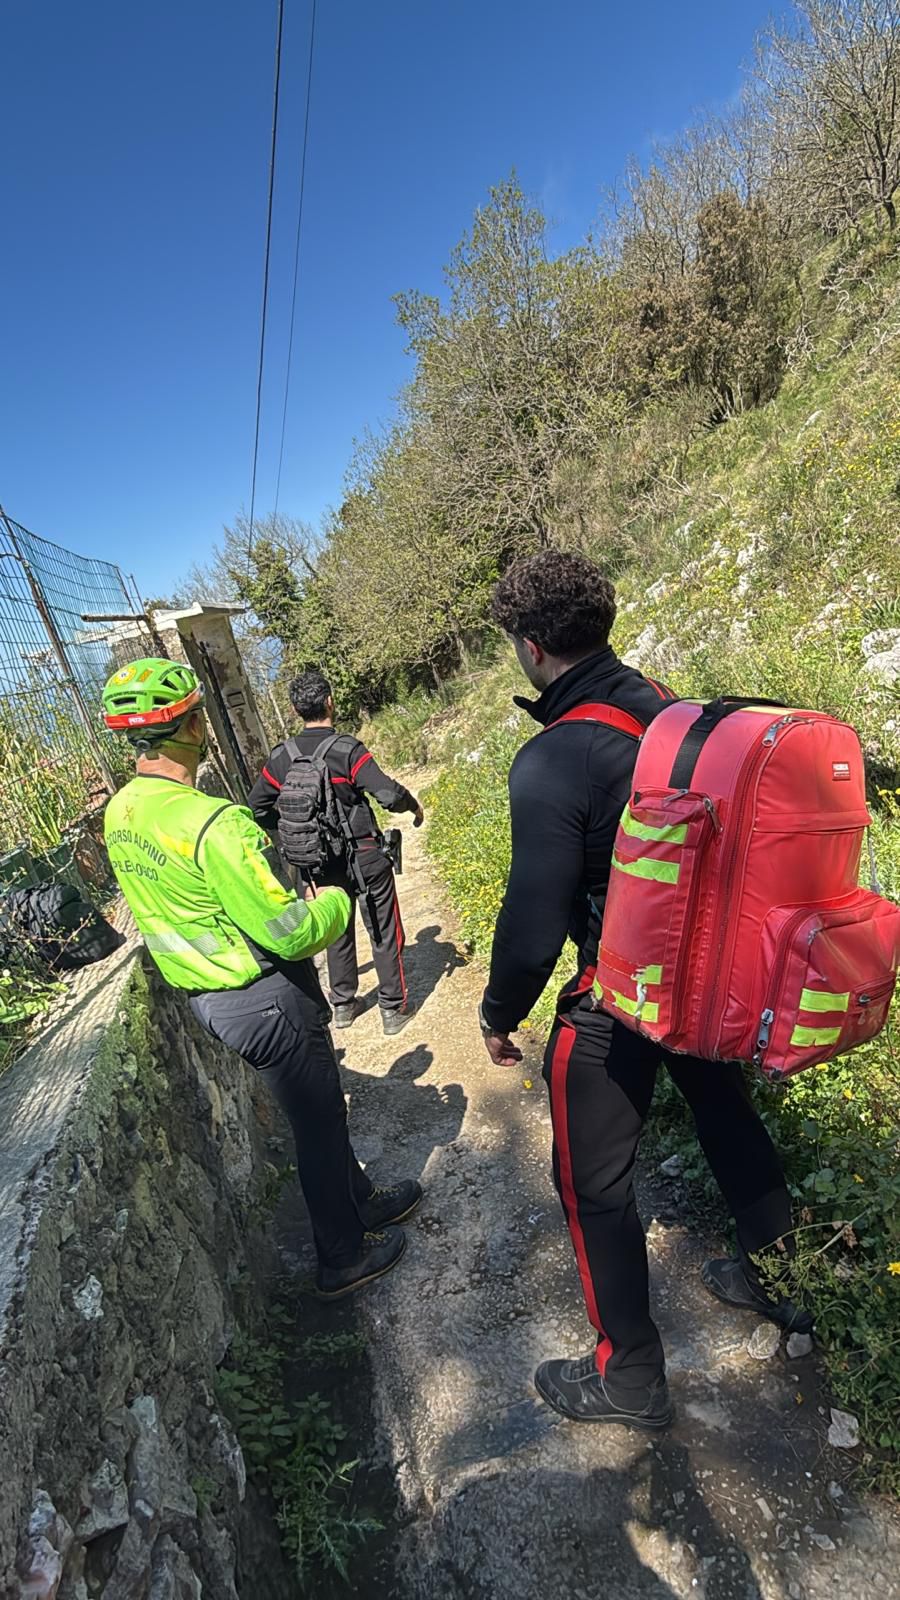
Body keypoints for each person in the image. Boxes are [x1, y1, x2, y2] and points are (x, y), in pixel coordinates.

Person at [479, 551, 811, 1430]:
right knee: (726, 1115)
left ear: (533, 646)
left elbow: (534, 918)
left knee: (592, 1184)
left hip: (621, 994)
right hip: (710, 978)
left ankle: (628, 1377)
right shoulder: (667, 710)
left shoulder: (554, 757)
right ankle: (784, 1284)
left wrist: (498, 1012)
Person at [101, 657, 420, 1299]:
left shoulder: (122, 813)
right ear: (192, 727)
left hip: (211, 999)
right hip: (265, 996)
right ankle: (340, 1257)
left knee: (321, 1113)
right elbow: (289, 932)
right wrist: (332, 899)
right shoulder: (211, 825)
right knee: (319, 1122)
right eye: (198, 714)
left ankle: (361, 1202)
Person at [249, 669, 424, 1037]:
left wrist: (293, 833)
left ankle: (344, 1004)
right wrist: (413, 806)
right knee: (383, 929)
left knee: (335, 930)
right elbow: (387, 794)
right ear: (329, 701)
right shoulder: (347, 749)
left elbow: (257, 807)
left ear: (297, 709)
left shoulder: (282, 758)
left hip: (317, 864)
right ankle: (393, 1009)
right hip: (365, 857)